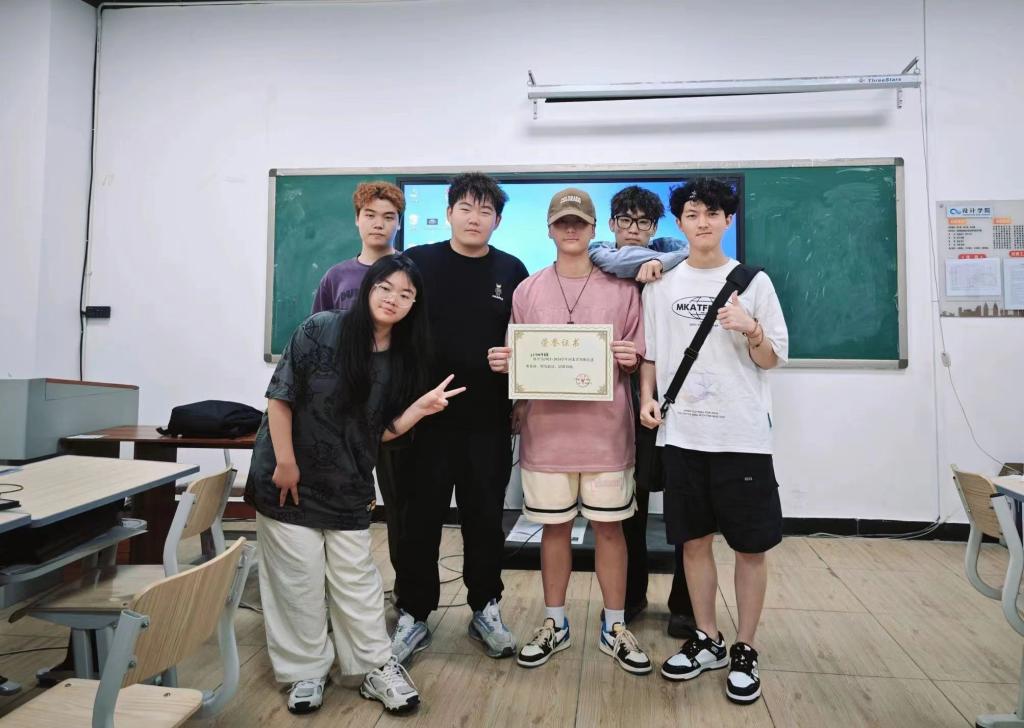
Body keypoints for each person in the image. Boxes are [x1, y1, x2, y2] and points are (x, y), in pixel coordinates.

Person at [245, 255, 465, 715]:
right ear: (368, 288)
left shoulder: (404, 357)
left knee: (357, 582)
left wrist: (420, 409)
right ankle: (305, 671)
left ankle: (373, 666)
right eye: (386, 288)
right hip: (288, 478)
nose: (393, 299)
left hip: (347, 482)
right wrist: (285, 463)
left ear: (415, 304)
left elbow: (378, 431)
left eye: (406, 294)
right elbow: (280, 399)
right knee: (297, 581)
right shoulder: (321, 328)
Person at [488, 187, 652, 675]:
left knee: (610, 530)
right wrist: (507, 366)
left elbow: (640, 355)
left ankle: (615, 625)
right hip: (546, 433)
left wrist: (631, 357)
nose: (572, 229)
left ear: (595, 228)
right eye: (563, 221)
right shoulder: (528, 289)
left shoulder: (623, 290)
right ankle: (555, 623)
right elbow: (519, 358)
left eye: (580, 222)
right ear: (550, 229)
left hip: (607, 435)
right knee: (554, 530)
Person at [639, 178, 788, 705]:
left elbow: (773, 358)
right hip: (683, 435)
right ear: (680, 222)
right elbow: (652, 354)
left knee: (750, 547)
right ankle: (708, 638)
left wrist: (751, 328)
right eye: (692, 213)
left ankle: (745, 647)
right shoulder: (660, 285)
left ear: (728, 220)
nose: (702, 222)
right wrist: (646, 397)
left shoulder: (754, 282)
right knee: (693, 542)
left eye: (712, 213)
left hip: (741, 437)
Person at [392, 173, 529, 663]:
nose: (475, 218)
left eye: (485, 211)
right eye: (466, 208)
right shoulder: (417, 262)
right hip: (424, 419)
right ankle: (413, 612)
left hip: (488, 420)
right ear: (449, 213)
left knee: (485, 519)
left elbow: (527, 340)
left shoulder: (512, 269)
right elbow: (392, 326)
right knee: (419, 519)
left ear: (498, 220)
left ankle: (485, 607)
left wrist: (518, 379)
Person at [587, 185, 696, 638]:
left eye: (643, 222)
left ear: (655, 227)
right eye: (625, 220)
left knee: (687, 505)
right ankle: (630, 596)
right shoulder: (598, 266)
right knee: (627, 504)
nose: (633, 229)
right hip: (617, 400)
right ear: (612, 223)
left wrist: (662, 263)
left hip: (677, 398)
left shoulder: (678, 269)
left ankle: (686, 605)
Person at [310, 180, 411, 591]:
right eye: (370, 215)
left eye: (388, 217)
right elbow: (315, 338)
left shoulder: (409, 272)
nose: (378, 224)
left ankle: (405, 596)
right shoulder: (336, 276)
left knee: (402, 506)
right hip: (341, 412)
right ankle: (332, 591)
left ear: (399, 223)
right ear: (357, 219)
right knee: (336, 501)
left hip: (393, 408)